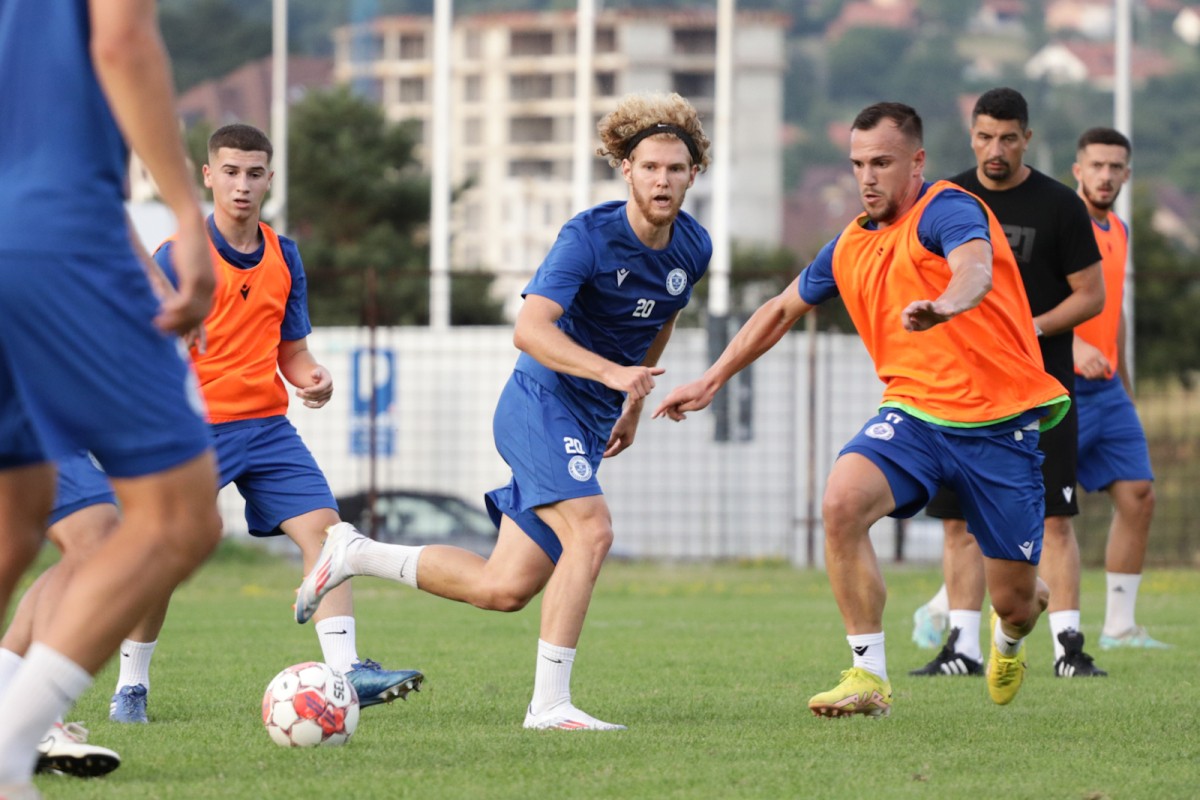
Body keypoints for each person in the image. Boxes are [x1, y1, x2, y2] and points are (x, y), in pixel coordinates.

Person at [293, 91, 712, 730]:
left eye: (676, 169)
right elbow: (530, 329)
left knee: (504, 588)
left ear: (692, 173)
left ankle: (355, 552)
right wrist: (608, 371)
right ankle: (549, 706)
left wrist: (630, 400)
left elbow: (662, 318)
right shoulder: (588, 237)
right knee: (593, 532)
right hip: (539, 404)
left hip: (591, 416)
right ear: (625, 169)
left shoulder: (693, 247)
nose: (663, 180)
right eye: (650, 167)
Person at [656, 101, 1065, 717]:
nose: (868, 176)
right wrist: (712, 379)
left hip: (998, 425)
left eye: (882, 162)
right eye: (858, 164)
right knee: (841, 502)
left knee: (1013, 601)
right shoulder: (848, 245)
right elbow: (779, 310)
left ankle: (1012, 633)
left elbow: (975, 270)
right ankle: (868, 675)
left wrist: (947, 305)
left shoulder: (948, 209)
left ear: (917, 162)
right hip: (915, 416)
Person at [124, 123, 423, 722]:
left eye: (254, 173)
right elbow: (141, 348)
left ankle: (347, 672)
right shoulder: (177, 256)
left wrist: (314, 377)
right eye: (230, 171)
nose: (242, 184)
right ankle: (131, 686)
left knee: (330, 536)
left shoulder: (284, 254)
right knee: (162, 555)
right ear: (208, 176)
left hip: (266, 429)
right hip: (193, 430)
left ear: (269, 179)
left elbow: (293, 351)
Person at [0, 1, 223, 795]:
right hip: (50, 232)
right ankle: (9, 747)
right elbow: (122, 40)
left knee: (17, 512)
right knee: (178, 518)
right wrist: (185, 216)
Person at [909, 87, 1108, 680]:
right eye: (985, 137)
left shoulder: (1057, 206)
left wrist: (1029, 328)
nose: (996, 149)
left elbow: (1090, 294)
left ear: (1027, 138)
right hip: (961, 389)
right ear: (971, 136)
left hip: (1041, 389)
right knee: (957, 522)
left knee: (1054, 519)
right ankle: (962, 649)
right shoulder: (945, 200)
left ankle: (1068, 648)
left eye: (1008, 138)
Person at [1071, 127, 1168, 650]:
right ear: (1077, 171)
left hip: (1108, 391)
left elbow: (1115, 313)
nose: (1106, 175)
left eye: (1115, 167)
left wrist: (1124, 384)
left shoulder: (1121, 230)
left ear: (1127, 174)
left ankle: (1120, 627)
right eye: (1097, 165)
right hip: (1055, 387)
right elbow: (1018, 303)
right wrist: (1068, 349)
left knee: (1139, 495)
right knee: (1021, 512)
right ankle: (944, 610)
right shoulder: (1062, 226)